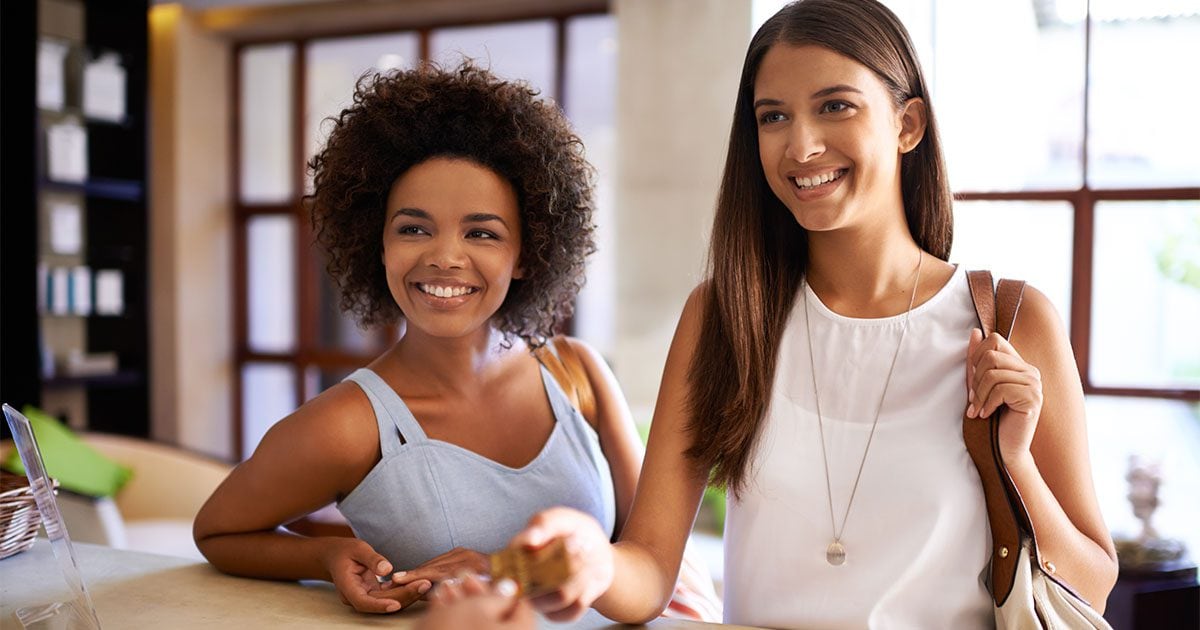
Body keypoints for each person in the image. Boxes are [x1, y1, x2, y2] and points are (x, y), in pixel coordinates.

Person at [508, 0, 1119, 627]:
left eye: (835, 106)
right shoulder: (724, 317)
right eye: (773, 116)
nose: (800, 146)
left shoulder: (1012, 321)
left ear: (908, 124)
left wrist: (1014, 462)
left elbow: (1093, 587)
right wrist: (592, 562)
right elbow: (651, 571)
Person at [192, 61, 646, 615]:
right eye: (413, 228)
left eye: (481, 232)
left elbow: (649, 556)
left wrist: (502, 572)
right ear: (376, 244)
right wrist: (327, 556)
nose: (444, 257)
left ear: (526, 254)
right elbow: (217, 532)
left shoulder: (577, 374)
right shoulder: (350, 425)